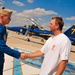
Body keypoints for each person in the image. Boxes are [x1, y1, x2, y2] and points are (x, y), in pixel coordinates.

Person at [0, 6, 25, 75]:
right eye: (8, 18)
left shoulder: (3, 28)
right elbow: (1, 46)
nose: (10, 20)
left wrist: (2, 56)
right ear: (2, 16)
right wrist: (19, 54)